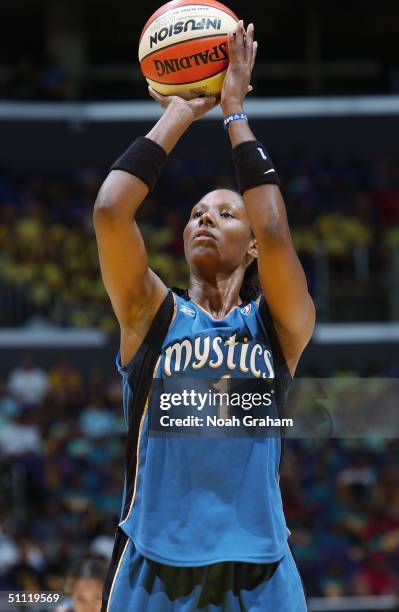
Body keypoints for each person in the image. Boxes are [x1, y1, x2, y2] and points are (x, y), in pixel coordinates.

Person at [94, 21, 315, 612]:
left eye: (223, 212)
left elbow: (273, 227)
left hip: (262, 570)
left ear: (249, 250)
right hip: (152, 569)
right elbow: (112, 212)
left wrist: (234, 110)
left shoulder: (275, 327)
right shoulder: (153, 316)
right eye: (196, 212)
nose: (204, 218)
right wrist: (181, 111)